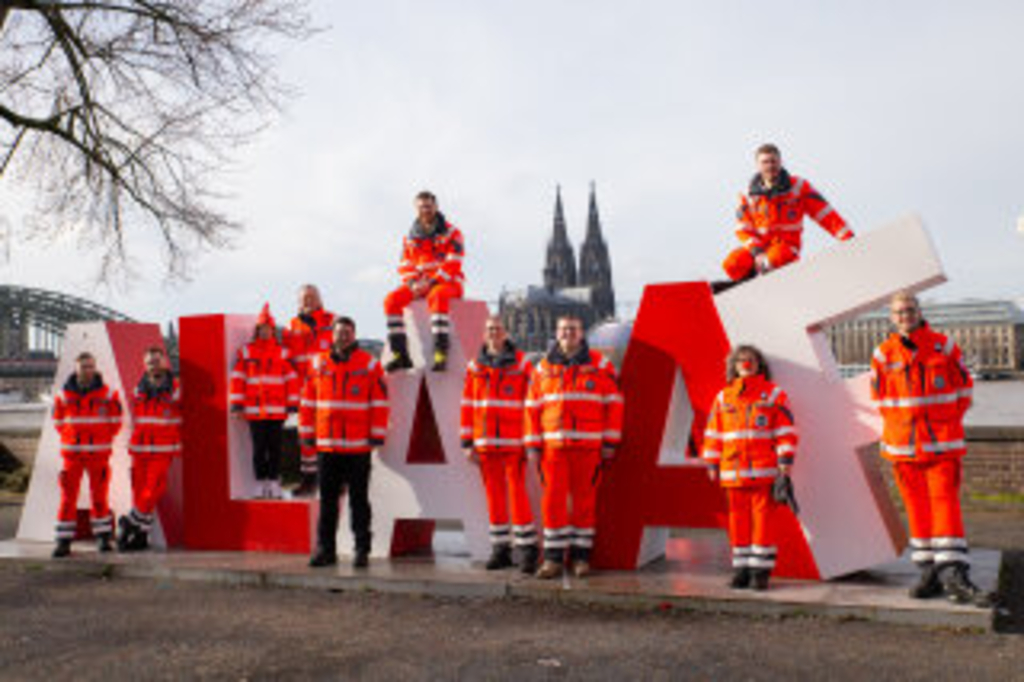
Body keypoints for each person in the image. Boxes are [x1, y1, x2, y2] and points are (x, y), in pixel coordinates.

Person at [871, 292, 991, 607]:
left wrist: (945, 423)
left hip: (941, 443)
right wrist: (901, 428)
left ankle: (955, 574)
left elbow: (964, 391)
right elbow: (881, 400)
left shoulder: (944, 346)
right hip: (902, 447)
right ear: (892, 317)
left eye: (909, 310)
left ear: (919, 311)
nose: (905, 316)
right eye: (899, 312)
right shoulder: (882, 354)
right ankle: (929, 572)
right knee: (916, 509)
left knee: (944, 506)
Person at [525, 315, 623, 579]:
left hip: (588, 447)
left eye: (573, 329)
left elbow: (614, 405)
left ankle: (581, 558)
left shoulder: (600, 365)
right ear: (556, 333)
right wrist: (532, 445)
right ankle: (553, 559)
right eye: (563, 329)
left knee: (584, 502)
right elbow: (531, 409)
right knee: (552, 502)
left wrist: (610, 441)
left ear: (581, 334)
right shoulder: (542, 368)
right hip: (552, 448)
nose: (568, 333)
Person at [701, 345, 797, 591]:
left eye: (751, 359)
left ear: (759, 364)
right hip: (732, 473)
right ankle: (741, 571)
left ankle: (760, 573)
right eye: (741, 360)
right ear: (733, 366)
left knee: (763, 523)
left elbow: (785, 431)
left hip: (763, 472)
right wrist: (711, 461)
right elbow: (713, 433)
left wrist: (785, 461)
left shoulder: (773, 394)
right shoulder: (723, 397)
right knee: (737, 523)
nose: (746, 364)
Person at [301, 317, 389, 569]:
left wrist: (377, 435)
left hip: (358, 446)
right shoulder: (318, 364)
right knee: (327, 502)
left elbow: (380, 402)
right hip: (327, 446)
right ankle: (325, 550)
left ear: (354, 335)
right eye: (339, 332)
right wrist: (307, 433)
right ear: (332, 335)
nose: (343, 336)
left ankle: (362, 550)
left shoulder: (369, 365)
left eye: (347, 332)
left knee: (359, 501)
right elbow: (307, 401)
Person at [461, 316, 539, 573]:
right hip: (485, 444)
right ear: (484, 334)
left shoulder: (522, 363)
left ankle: (527, 550)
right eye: (490, 329)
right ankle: (500, 549)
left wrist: (530, 439)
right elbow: (467, 405)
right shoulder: (475, 366)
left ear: (506, 333)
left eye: (498, 329)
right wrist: (467, 441)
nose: (494, 333)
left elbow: (532, 402)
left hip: (514, 442)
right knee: (493, 498)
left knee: (517, 495)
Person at [722, 143, 853, 282]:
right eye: (765, 162)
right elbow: (743, 229)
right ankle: (745, 286)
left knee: (772, 260)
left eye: (773, 161)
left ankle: (768, 283)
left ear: (780, 162)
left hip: (786, 249)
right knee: (732, 264)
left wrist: (849, 239)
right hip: (758, 249)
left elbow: (825, 214)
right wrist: (756, 251)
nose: (770, 166)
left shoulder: (798, 187)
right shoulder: (748, 194)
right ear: (758, 166)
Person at [383, 190, 465, 373]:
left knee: (437, 296)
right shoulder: (409, 238)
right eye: (421, 207)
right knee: (391, 301)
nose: (425, 210)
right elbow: (404, 265)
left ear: (436, 207)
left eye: (428, 206)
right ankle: (400, 355)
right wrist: (413, 283)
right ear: (416, 209)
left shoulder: (453, 233)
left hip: (447, 283)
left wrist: (431, 282)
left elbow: (453, 263)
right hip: (418, 284)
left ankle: (441, 352)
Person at [51, 352, 124, 558]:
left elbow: (116, 421)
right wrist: (73, 438)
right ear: (76, 368)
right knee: (68, 498)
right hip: (72, 456)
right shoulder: (63, 395)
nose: (88, 370)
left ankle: (103, 538)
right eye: (84, 366)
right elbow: (58, 422)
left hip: (98, 455)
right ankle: (63, 541)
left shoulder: (108, 394)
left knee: (99, 497)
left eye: (91, 366)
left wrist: (100, 438)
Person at [229, 303, 299, 499]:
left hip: (277, 411)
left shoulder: (283, 353)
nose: (265, 332)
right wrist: (236, 405)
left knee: (275, 449)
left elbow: (291, 380)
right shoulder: (246, 352)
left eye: (268, 329)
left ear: (273, 331)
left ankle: (274, 483)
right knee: (259, 449)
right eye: (262, 329)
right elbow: (238, 379)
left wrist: (293, 404)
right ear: (257, 330)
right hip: (254, 411)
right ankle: (260, 484)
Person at [118, 346, 182, 552]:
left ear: (164, 362)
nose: (153, 365)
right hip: (140, 447)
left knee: (155, 488)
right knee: (140, 492)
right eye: (149, 363)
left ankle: (129, 521)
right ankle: (141, 535)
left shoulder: (176, 388)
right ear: (144, 366)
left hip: (163, 447)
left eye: (156, 361)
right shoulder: (138, 390)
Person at [283, 284, 336, 493]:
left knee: (329, 434)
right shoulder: (291, 326)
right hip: (303, 390)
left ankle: (332, 480)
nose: (309, 301)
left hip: (328, 388)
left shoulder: (332, 321)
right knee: (306, 435)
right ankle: (309, 479)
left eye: (312, 297)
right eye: (305, 298)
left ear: (320, 299)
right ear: (299, 301)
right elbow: (287, 361)